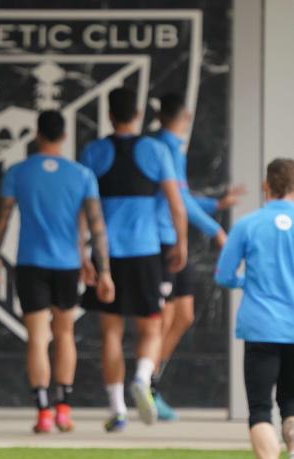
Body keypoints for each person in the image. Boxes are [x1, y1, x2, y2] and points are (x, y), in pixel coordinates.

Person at [0, 110, 114, 433]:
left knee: (37, 337)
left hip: (31, 263)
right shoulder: (82, 175)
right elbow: (97, 229)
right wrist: (103, 270)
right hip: (67, 265)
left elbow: (1, 223)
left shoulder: (18, 172)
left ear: (37, 135)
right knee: (64, 334)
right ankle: (64, 409)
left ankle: (43, 411)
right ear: (64, 137)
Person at [79, 87, 187, 432]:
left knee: (111, 332)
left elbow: (85, 207)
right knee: (151, 327)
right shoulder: (155, 149)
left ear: (109, 115)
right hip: (145, 252)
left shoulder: (94, 151)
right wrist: (181, 241)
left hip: (107, 254)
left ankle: (118, 410)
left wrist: (83, 252)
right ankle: (142, 377)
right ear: (138, 114)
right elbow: (175, 202)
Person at [152, 93, 244, 420]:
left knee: (185, 315)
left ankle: (149, 382)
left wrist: (216, 205)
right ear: (186, 117)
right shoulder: (162, 148)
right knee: (162, 318)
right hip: (162, 240)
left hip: (175, 240)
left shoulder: (172, 148)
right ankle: (147, 385)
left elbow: (184, 197)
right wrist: (215, 229)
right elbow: (179, 202)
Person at [215, 158, 294, 459]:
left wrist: (247, 280)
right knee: (291, 405)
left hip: (261, 327)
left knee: (260, 408)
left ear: (266, 186)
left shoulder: (248, 224)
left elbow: (223, 275)